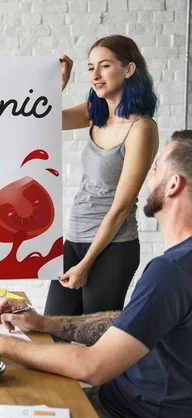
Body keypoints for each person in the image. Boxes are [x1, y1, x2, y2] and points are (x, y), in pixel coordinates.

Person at [0, 130, 192, 418]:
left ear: (174, 184)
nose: (148, 177)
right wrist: (45, 324)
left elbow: (92, 367)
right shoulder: (179, 265)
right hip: (128, 410)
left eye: (155, 169)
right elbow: (125, 326)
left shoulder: (171, 271)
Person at [45, 35, 160, 316]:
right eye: (90, 67)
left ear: (128, 69)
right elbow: (41, 120)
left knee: (94, 340)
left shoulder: (141, 128)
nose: (95, 75)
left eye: (105, 66)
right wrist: (57, 85)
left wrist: (86, 264)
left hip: (113, 247)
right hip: (74, 237)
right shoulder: (94, 113)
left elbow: (120, 208)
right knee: (50, 330)